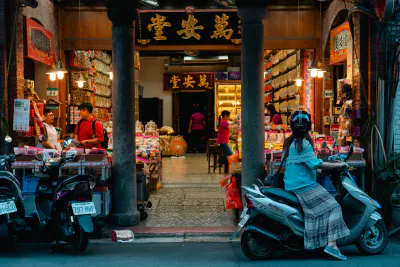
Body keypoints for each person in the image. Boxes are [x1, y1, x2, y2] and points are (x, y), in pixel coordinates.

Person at [283, 110, 350, 260]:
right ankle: (332, 245)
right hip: (304, 187)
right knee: (334, 207)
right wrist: (339, 165)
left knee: (323, 208)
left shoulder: (290, 142)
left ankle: (321, 242)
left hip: (293, 185)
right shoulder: (304, 143)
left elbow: (308, 164)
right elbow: (315, 164)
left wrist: (322, 168)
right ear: (308, 127)